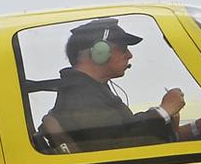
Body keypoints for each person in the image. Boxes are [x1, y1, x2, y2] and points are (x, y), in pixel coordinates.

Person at [45, 18, 187, 151]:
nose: (129, 55)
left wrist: (199, 125)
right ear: (100, 52)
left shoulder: (91, 91)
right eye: (123, 48)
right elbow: (119, 144)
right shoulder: (79, 97)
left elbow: (121, 130)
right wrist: (163, 112)